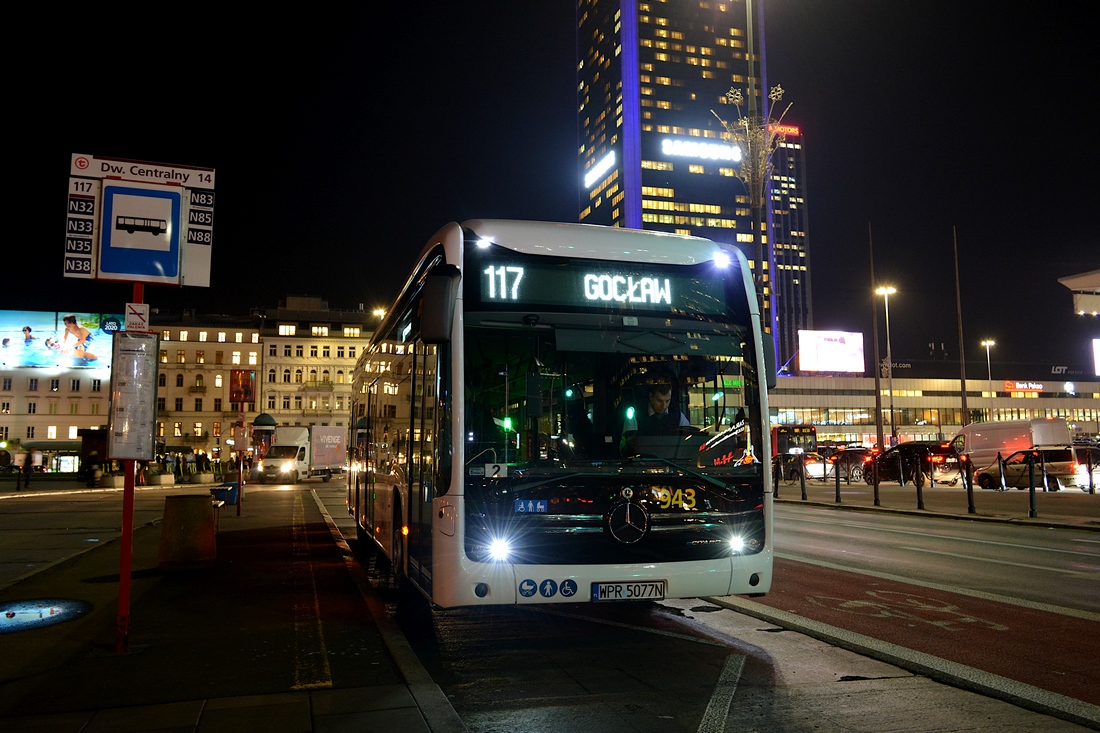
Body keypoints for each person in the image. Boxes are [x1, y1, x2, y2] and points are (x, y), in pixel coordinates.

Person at [620, 383, 691, 454]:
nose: (664, 406)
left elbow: (688, 441)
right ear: (650, 396)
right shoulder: (635, 415)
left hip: (672, 463)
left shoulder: (678, 416)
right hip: (642, 463)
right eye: (659, 401)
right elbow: (626, 446)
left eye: (667, 401)